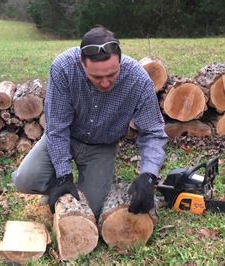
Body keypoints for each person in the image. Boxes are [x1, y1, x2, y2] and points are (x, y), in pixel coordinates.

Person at [11, 25, 167, 218]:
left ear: (119, 61)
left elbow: (153, 132)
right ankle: (60, 194)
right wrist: (63, 176)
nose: (105, 83)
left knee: (90, 209)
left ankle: (69, 197)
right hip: (66, 137)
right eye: (96, 77)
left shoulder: (138, 80)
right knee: (25, 180)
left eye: (111, 75)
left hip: (101, 146)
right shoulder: (64, 68)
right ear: (82, 63)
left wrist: (148, 176)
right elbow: (57, 128)